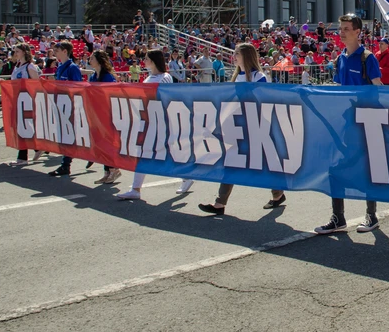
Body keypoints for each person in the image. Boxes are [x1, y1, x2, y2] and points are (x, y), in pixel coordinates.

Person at [199, 43, 285, 215]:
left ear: (246, 55)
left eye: (237, 53)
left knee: (266, 162)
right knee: (231, 160)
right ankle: (220, 203)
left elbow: (265, 99)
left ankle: (278, 194)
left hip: (257, 125)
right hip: (240, 124)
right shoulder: (237, 76)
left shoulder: (258, 76)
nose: (234, 56)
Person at [315, 14, 383, 235]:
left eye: (345, 28)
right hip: (344, 124)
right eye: (341, 28)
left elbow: (378, 89)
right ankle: (338, 218)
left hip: (365, 123)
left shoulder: (367, 58)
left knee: (366, 170)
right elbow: (339, 88)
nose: (341, 32)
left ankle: (371, 216)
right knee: (335, 168)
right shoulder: (340, 58)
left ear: (357, 32)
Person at [115, 50, 194, 199]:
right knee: (144, 153)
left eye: (146, 58)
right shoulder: (149, 77)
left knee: (169, 153)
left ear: (153, 60)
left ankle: (186, 177)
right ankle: (136, 189)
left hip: (161, 121)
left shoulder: (165, 77)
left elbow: (164, 97)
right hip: (148, 119)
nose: (143, 61)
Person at [6, 44, 47, 166]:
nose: (15, 53)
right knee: (23, 128)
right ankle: (36, 148)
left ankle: (23, 156)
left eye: (17, 51)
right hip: (18, 100)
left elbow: (37, 85)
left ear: (24, 52)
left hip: (28, 101)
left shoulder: (30, 67)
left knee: (25, 128)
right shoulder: (17, 66)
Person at [47, 41, 84, 177]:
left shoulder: (72, 67)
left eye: (57, 50)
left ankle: (66, 164)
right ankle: (66, 163)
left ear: (65, 51)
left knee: (69, 135)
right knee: (65, 135)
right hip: (61, 103)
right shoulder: (60, 67)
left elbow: (78, 87)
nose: (55, 52)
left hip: (70, 105)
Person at [89, 50, 122, 185]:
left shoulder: (108, 76)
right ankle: (106, 172)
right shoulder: (92, 76)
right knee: (100, 142)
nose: (89, 60)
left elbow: (112, 92)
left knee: (108, 141)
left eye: (92, 58)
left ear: (99, 60)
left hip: (107, 112)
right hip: (96, 112)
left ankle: (114, 169)